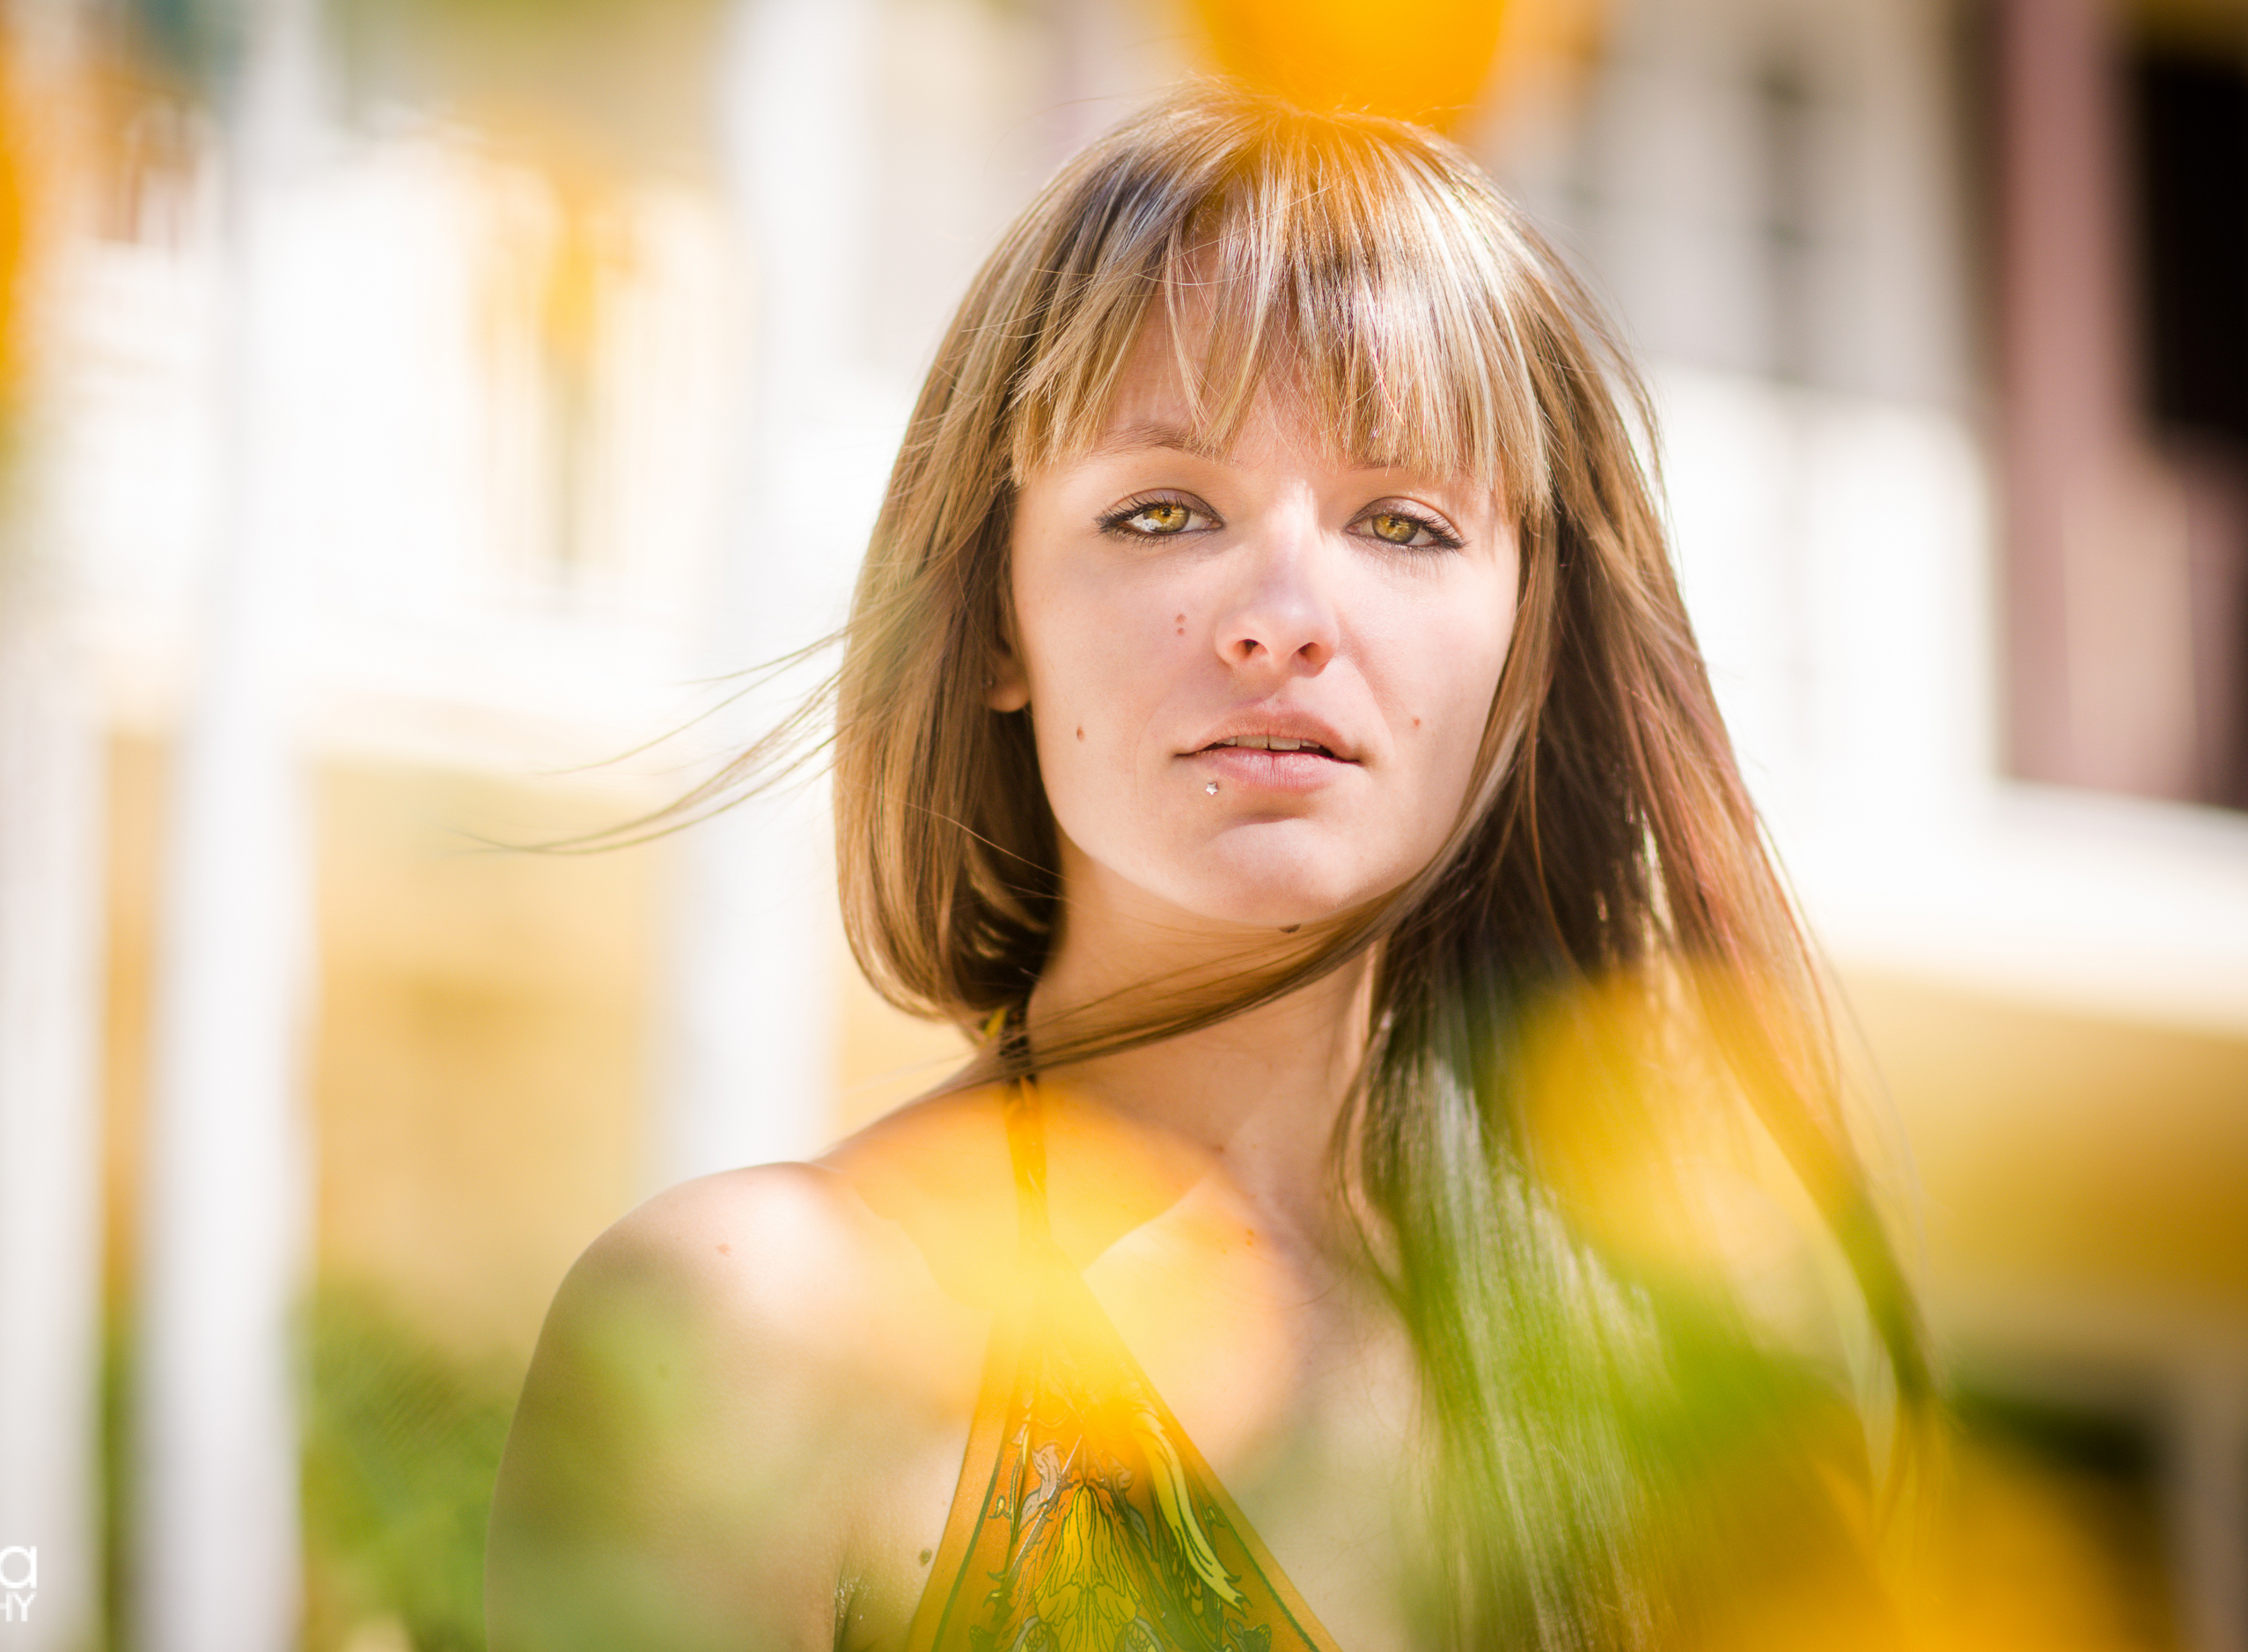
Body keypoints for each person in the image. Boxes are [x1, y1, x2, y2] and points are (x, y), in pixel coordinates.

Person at [486, 81, 1931, 1652]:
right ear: (989, 622)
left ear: (1529, 646)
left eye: (1405, 524)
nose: (1286, 614)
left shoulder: (1686, 1419)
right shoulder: (763, 1321)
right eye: (1165, 511)